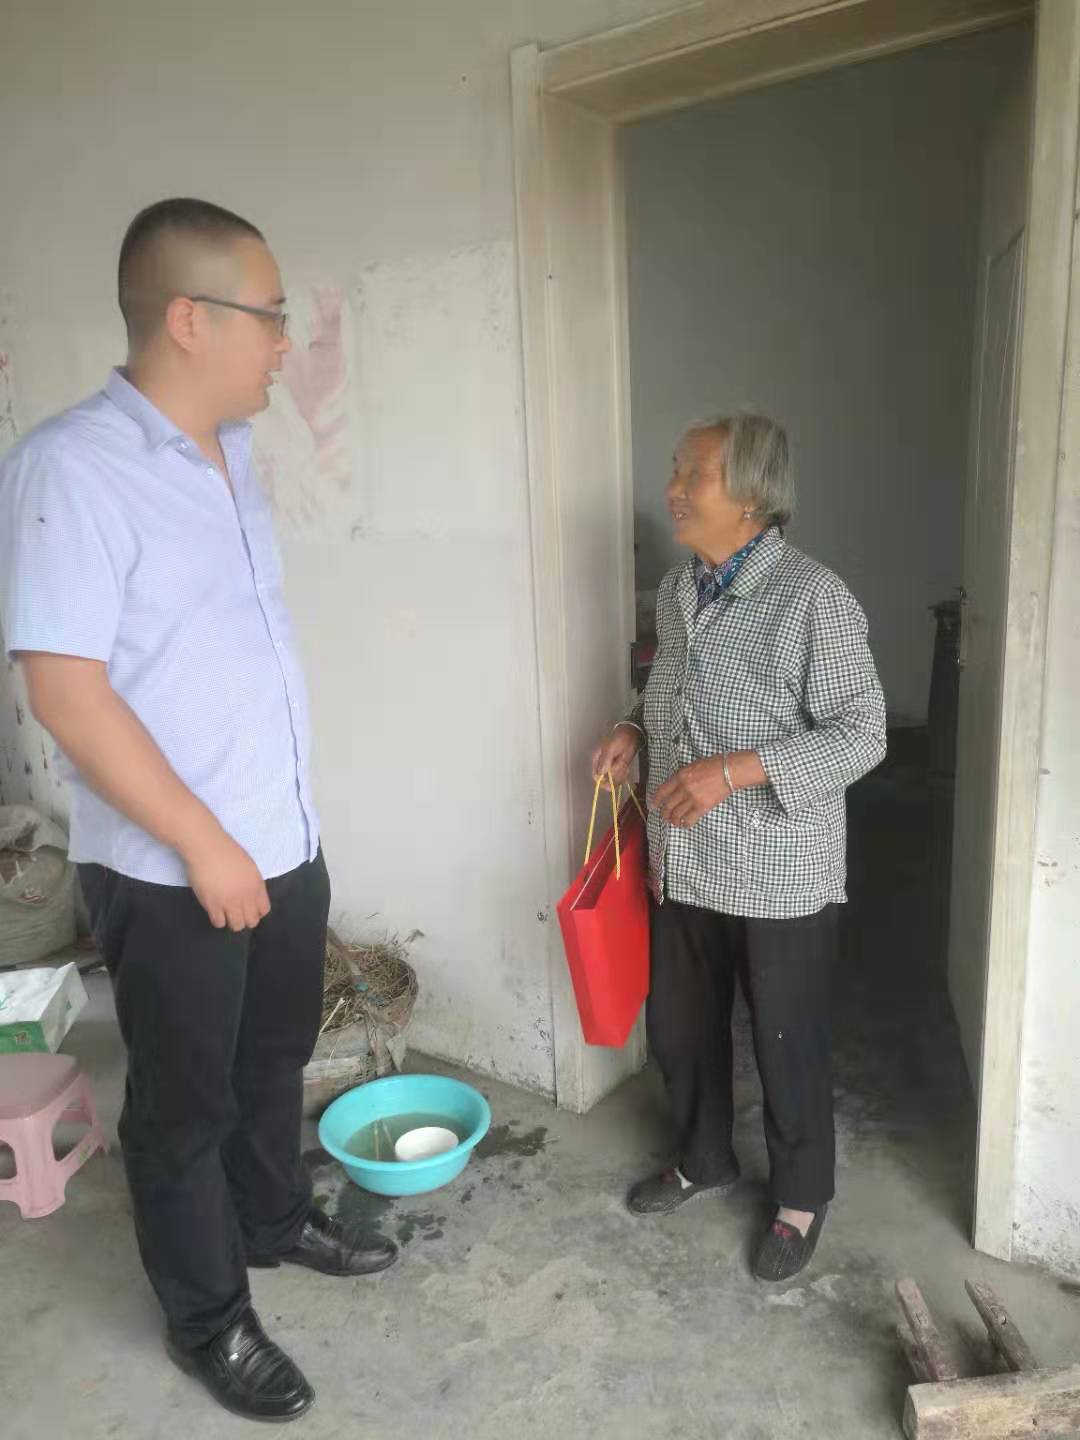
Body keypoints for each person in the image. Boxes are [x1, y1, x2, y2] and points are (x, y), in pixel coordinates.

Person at [0, 198, 397, 1423]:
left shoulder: (230, 456)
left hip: (280, 839)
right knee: (183, 1107)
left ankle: (271, 1219)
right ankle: (208, 1319)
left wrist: (271, 837)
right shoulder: (71, 468)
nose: (285, 340)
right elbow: (66, 690)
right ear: (189, 318)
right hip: (173, 869)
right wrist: (205, 842)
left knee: (273, 1057)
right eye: (269, 315)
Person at [592, 414, 886, 1284]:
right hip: (685, 854)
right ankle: (704, 1158)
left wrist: (734, 772)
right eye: (676, 470)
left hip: (778, 866)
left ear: (752, 496)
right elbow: (666, 689)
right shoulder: (680, 590)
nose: (674, 489)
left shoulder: (813, 599)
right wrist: (632, 729)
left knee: (788, 1039)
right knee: (681, 1027)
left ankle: (801, 1196)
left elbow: (863, 734)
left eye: (696, 474)